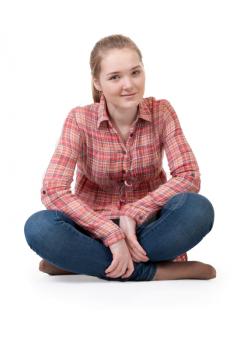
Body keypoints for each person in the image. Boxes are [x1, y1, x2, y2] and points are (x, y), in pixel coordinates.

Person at [24, 34, 216, 282]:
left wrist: (135, 212)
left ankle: (85, 262)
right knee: (39, 227)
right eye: (115, 77)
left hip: (149, 228)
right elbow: (53, 189)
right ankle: (151, 271)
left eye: (135, 73)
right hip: (91, 228)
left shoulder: (163, 112)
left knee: (198, 209)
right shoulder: (79, 119)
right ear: (97, 82)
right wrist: (111, 234)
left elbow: (189, 175)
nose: (129, 85)